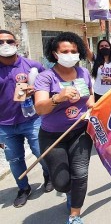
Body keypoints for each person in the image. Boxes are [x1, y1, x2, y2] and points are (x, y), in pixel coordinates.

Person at [34, 32, 94, 224]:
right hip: (53, 136)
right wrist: (57, 98)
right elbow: (40, 108)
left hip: (81, 131)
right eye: (65, 51)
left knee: (80, 174)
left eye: (74, 51)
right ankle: (68, 192)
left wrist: (93, 107)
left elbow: (90, 97)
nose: (70, 54)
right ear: (55, 53)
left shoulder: (84, 73)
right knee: (61, 183)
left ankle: (75, 215)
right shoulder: (45, 77)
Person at [0, 29, 53, 208]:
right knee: (14, 160)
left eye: (9, 41)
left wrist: (36, 90)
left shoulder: (32, 66)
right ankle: (23, 188)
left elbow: (49, 83)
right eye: (1, 42)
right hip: (4, 126)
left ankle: (48, 175)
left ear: (16, 43)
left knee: (41, 153)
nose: (5, 45)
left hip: (32, 120)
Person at [82, 24, 111, 102]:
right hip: (99, 94)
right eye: (101, 46)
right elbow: (86, 49)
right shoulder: (95, 59)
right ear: (98, 49)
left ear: (110, 48)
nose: (104, 47)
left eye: (106, 45)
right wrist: (84, 34)